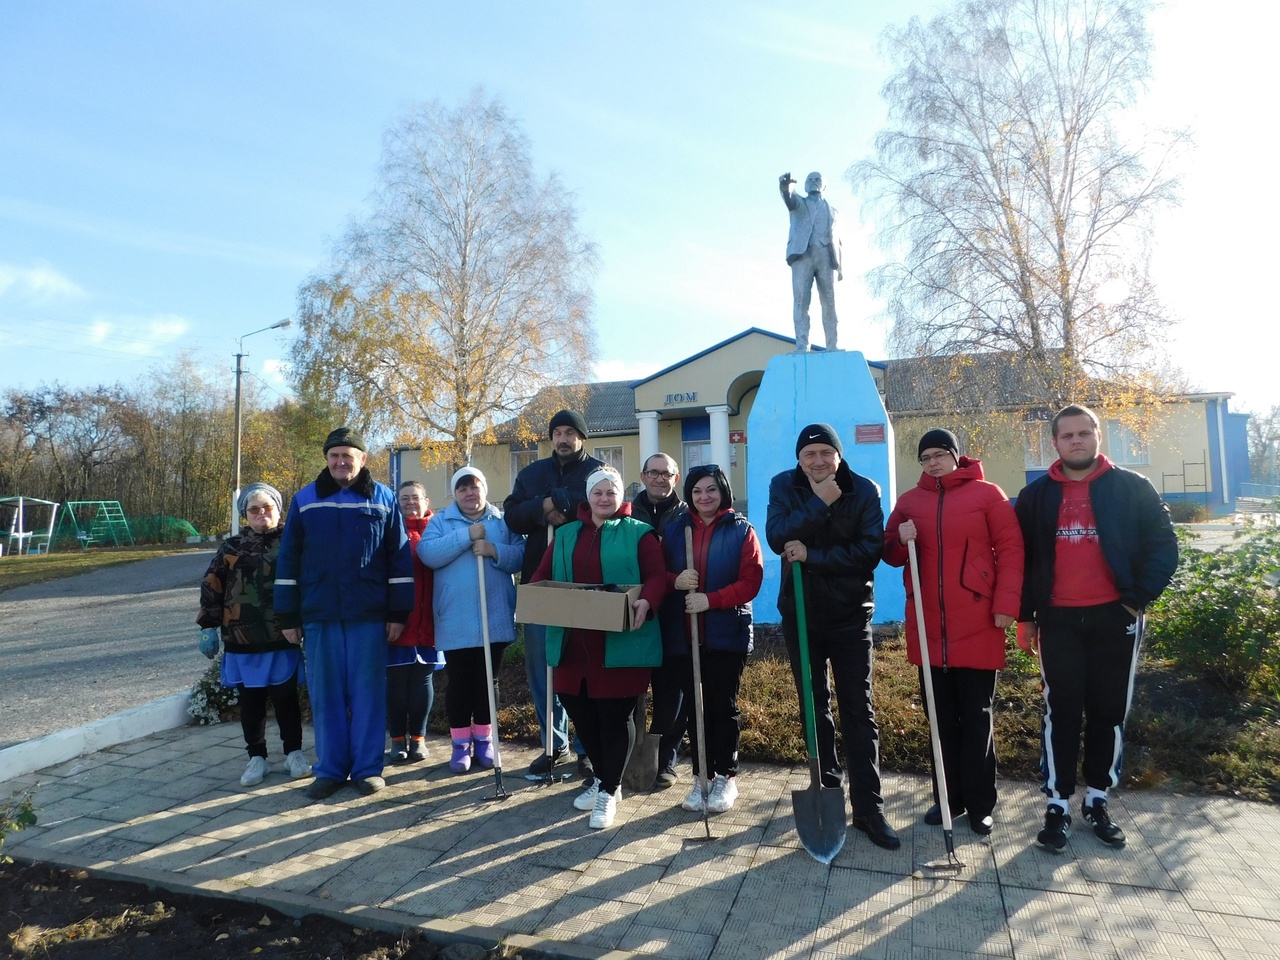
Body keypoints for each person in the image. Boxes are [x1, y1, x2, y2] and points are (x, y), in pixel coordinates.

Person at [1015, 405, 1177, 851]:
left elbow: (1164, 546)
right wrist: (1026, 616)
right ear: (1055, 442)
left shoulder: (1131, 487)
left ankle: (1098, 800)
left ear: (1098, 437)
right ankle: (1058, 805)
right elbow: (1021, 561)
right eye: (1067, 435)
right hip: (1059, 620)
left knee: (1108, 711)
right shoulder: (1037, 495)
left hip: (1115, 616)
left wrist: (1135, 600)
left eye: (1084, 433)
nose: (1076, 441)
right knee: (1061, 712)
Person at [883, 429, 1024, 836]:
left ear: (957, 457)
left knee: (977, 718)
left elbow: (1011, 549)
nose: (932, 462)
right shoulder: (910, 502)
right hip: (928, 625)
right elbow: (890, 552)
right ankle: (947, 798)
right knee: (940, 719)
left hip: (977, 621)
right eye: (925, 457)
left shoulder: (987, 495)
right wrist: (899, 538)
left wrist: (1005, 606)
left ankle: (980, 804)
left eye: (939, 454)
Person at [765, 422, 900, 850]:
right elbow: (776, 537)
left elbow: (868, 552)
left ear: (838, 455)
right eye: (809, 456)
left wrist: (813, 554)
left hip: (848, 615)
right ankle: (826, 788)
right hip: (800, 613)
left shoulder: (865, 490)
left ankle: (869, 807)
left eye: (826, 453)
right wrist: (820, 503)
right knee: (813, 704)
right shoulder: (783, 486)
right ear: (799, 460)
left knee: (858, 709)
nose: (818, 461)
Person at [275, 427, 414, 800]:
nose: (341, 462)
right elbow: (288, 561)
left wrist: (398, 612)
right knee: (326, 696)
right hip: (319, 616)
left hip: (368, 616)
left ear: (363, 459)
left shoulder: (384, 500)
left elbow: (399, 560)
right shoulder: (305, 501)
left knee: (368, 695)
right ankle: (331, 769)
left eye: (348, 456)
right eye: (334, 455)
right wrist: (288, 617)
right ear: (327, 459)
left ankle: (368, 769)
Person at [531, 468, 666, 828]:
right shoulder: (564, 535)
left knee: (614, 715)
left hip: (621, 640)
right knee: (579, 708)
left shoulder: (639, 534)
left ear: (620, 496)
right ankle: (609, 778)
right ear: (588, 496)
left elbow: (657, 576)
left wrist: (646, 601)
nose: (604, 498)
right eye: (598, 492)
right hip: (574, 642)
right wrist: (535, 598)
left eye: (611, 492)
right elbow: (540, 577)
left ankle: (608, 789)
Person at [503, 409, 604, 778]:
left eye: (570, 433)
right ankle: (553, 744)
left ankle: (587, 747)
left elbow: (602, 503)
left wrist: (561, 501)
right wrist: (543, 506)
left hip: (583, 580)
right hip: (537, 580)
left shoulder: (598, 471)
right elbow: (512, 515)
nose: (562, 439)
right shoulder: (531, 474)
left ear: (582, 437)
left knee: (582, 665)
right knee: (542, 666)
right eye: (557, 432)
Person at [660, 464, 763, 814]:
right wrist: (676, 580)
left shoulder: (741, 530)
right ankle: (701, 775)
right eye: (697, 491)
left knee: (722, 706)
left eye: (711, 490)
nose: (704, 497)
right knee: (695, 708)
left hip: (726, 633)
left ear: (723, 492)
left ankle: (726, 778)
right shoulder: (676, 530)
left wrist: (710, 599)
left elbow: (751, 582)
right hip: (685, 635)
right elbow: (657, 573)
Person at [198, 482, 312, 788]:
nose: (262, 513)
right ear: (245, 514)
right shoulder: (231, 548)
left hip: (282, 635)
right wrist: (207, 626)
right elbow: (212, 585)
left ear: (278, 509)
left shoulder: (294, 541)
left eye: (268, 507)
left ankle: (294, 753)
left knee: (286, 698)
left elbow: (310, 582)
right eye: (254, 509)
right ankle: (256, 756)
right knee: (251, 701)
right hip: (242, 637)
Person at [419, 467, 525, 773]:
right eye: (462, 488)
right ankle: (460, 745)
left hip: (495, 618)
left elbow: (521, 554)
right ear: (455, 493)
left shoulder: (502, 520)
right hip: (456, 620)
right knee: (460, 684)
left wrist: (494, 549)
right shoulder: (441, 521)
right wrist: (467, 536)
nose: (469, 493)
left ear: (484, 489)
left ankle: (484, 741)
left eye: (474, 486)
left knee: (487, 684)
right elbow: (428, 553)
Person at [630, 452, 689, 789]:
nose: (659, 479)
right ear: (643, 475)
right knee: (630, 690)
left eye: (666, 473)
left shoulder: (686, 516)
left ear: (675, 478)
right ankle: (625, 756)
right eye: (653, 472)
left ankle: (666, 759)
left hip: (673, 614)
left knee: (671, 692)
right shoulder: (627, 514)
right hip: (636, 611)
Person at [387, 481, 443, 765]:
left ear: (426, 499)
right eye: (404, 498)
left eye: (415, 497)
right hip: (399, 620)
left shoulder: (439, 528)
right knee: (396, 681)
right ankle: (397, 740)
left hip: (430, 620)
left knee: (423, 679)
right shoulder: (390, 530)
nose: (410, 502)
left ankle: (418, 739)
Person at [778, 170, 842, 352]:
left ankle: (832, 345)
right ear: (804, 185)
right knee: (801, 301)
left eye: (817, 179)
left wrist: (840, 267)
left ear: (824, 186)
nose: (813, 182)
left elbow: (839, 241)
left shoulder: (834, 211)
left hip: (826, 258)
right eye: (810, 180)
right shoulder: (799, 203)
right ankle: (802, 345)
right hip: (802, 256)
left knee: (830, 302)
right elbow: (788, 197)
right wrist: (785, 186)